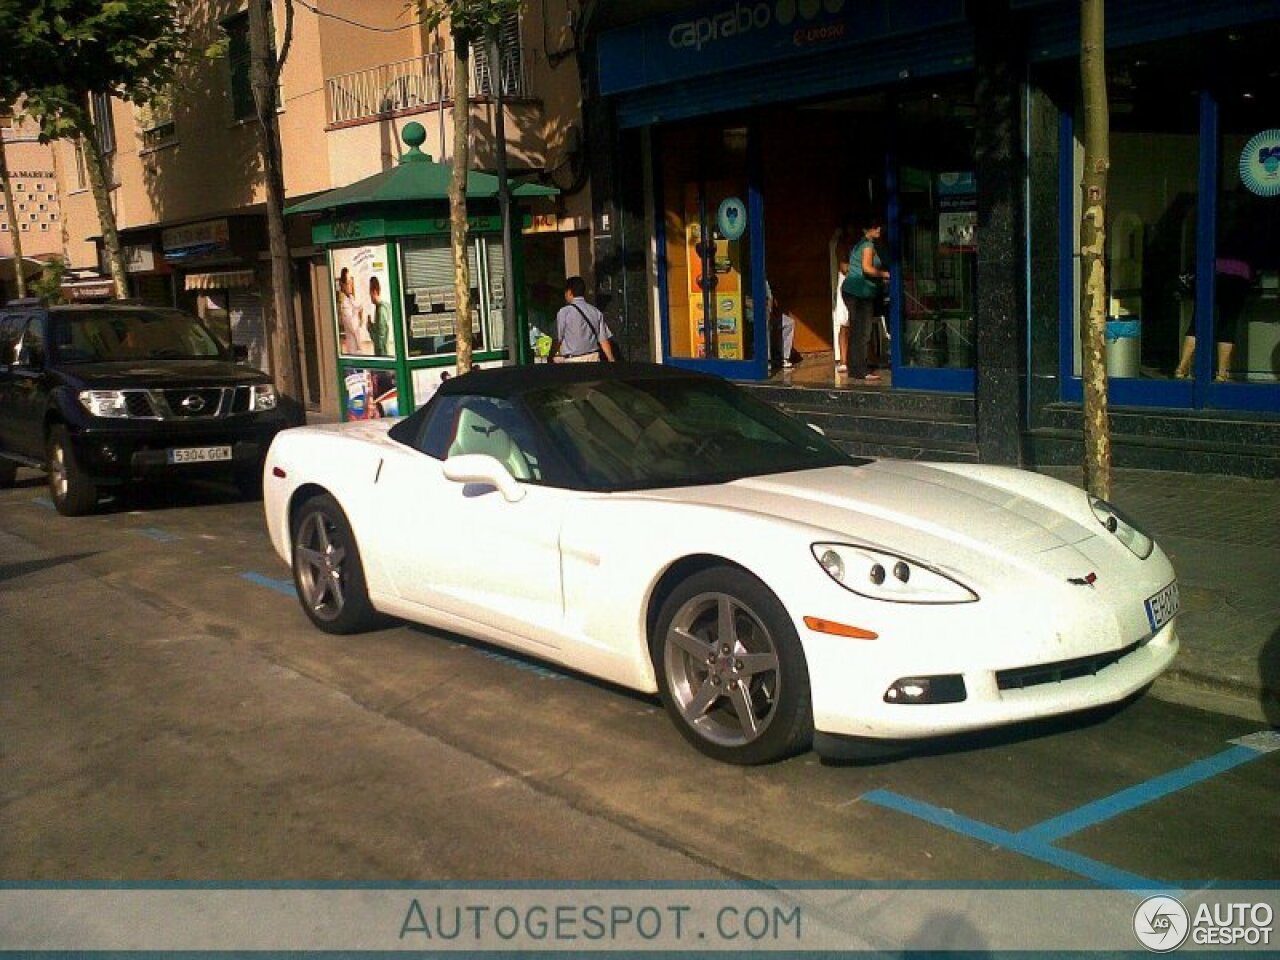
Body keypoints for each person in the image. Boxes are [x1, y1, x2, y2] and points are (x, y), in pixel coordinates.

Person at [840, 220, 890, 381]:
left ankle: (855, 368)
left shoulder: (861, 244)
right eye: (875, 227)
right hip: (859, 293)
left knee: (857, 331)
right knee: (862, 332)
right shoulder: (867, 245)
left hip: (857, 291)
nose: (879, 229)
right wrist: (885, 274)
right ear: (865, 229)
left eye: (879, 226)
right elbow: (867, 268)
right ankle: (860, 370)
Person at [551, 276, 616, 362]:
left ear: (569, 292)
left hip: (573, 360)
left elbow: (558, 338)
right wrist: (611, 359)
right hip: (593, 358)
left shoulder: (564, 312)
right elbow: (603, 340)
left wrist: (550, 355)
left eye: (565, 292)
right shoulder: (595, 311)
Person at [336, 268, 369, 355]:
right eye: (348, 282)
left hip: (358, 347)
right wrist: (358, 312)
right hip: (353, 350)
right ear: (343, 285)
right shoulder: (344, 303)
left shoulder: (351, 298)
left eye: (351, 281)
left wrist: (360, 312)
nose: (350, 284)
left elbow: (360, 307)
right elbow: (353, 326)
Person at [832, 256, 850, 373]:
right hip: (846, 291)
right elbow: (844, 268)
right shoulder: (844, 250)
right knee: (844, 325)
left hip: (861, 291)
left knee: (863, 326)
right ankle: (843, 360)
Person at [368, 275, 391, 356]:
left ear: (374, 292)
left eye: (370, 293)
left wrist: (369, 327)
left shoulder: (380, 311)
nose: (369, 296)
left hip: (382, 354)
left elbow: (378, 339)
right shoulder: (382, 307)